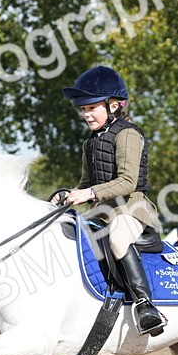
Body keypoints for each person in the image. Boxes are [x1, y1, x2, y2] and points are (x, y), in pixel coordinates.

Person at [55, 65, 167, 335]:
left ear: (114, 105)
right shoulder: (90, 143)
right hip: (101, 212)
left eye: (91, 108)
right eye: (82, 109)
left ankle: (145, 305)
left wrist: (90, 193)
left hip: (133, 209)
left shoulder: (128, 134)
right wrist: (68, 195)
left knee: (117, 237)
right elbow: (85, 185)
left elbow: (128, 182)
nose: (85, 114)